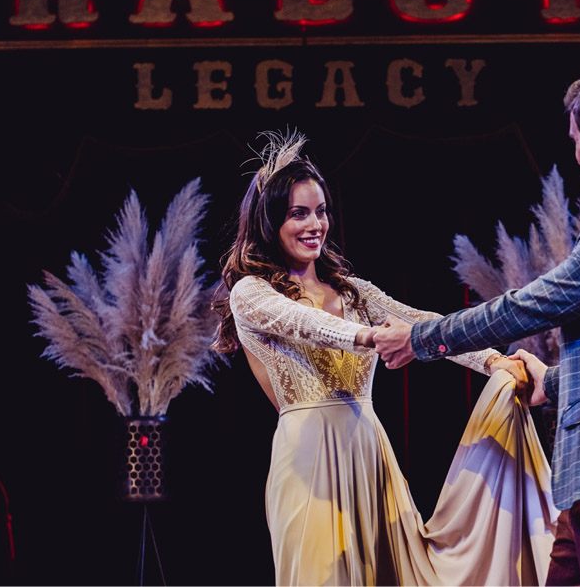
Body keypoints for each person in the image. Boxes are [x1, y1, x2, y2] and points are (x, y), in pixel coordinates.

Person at [374, 58, 580, 585]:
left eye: (576, 138)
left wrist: (421, 339)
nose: (576, 154)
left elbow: (524, 306)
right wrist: (550, 383)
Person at [211, 130, 558, 586]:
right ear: (269, 222)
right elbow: (306, 324)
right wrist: (374, 337)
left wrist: (494, 360)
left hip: (370, 455)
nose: (315, 224)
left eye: (321, 211)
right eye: (298, 214)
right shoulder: (251, 293)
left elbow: (426, 325)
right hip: (308, 465)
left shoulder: (355, 291)